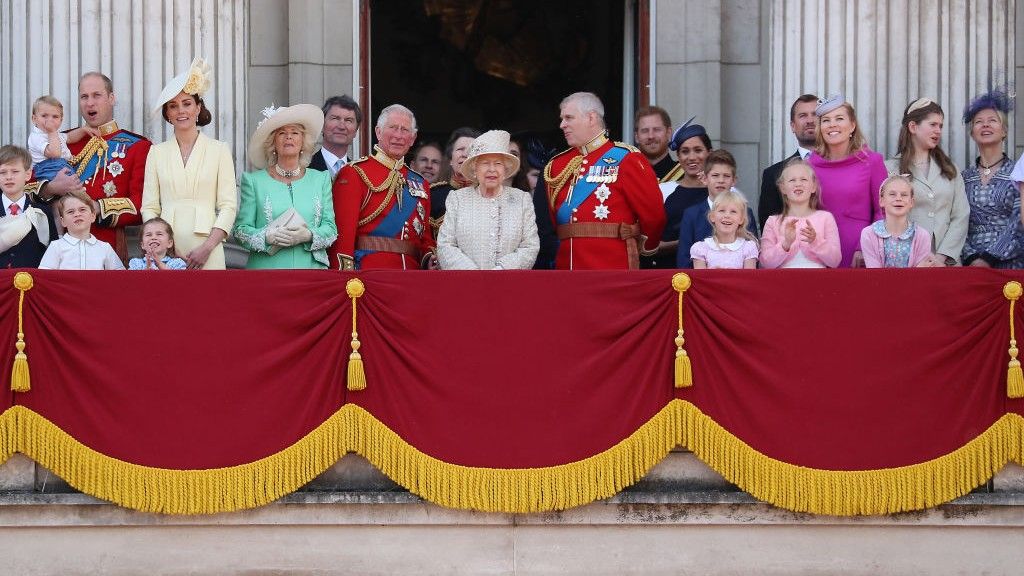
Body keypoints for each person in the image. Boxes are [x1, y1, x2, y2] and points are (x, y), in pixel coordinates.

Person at [32, 72, 152, 261]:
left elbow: (142, 205)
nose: (90, 103)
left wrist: (95, 208)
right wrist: (51, 188)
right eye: (84, 97)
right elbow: (24, 188)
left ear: (111, 98)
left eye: (97, 95)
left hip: (106, 249)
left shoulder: (137, 146)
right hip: (59, 251)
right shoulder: (60, 142)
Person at [545, 92, 665, 269]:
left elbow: (654, 216)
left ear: (591, 118)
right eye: (562, 119)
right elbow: (553, 223)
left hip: (612, 267)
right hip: (566, 267)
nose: (562, 125)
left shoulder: (627, 159)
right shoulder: (557, 165)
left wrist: (645, 247)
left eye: (569, 118)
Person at [141, 57, 237, 270]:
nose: (181, 111)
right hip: (165, 250)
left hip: (208, 248)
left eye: (187, 104)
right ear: (167, 114)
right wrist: (159, 243)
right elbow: (149, 206)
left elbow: (228, 206)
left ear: (197, 108)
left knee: (210, 303)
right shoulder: (156, 153)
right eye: (173, 106)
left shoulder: (219, 150)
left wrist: (208, 247)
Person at [330, 104, 435, 270]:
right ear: (378, 132)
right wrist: (344, 278)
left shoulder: (421, 184)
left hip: (412, 277)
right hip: (369, 275)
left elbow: (425, 239)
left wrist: (429, 258)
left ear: (413, 139)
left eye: (405, 130)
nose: (398, 135)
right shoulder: (355, 173)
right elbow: (343, 236)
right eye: (393, 128)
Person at [233, 104, 337, 269]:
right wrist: (267, 236)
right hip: (267, 273)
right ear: (273, 142)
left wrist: (308, 235)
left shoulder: (321, 179)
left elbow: (330, 229)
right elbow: (240, 231)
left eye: (295, 132)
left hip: (311, 272)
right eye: (282, 133)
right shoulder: (253, 181)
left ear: (303, 142)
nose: (289, 137)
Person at [436, 130, 539, 270]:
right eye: (485, 163)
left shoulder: (522, 200)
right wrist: (473, 274)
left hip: (509, 284)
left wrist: (501, 269)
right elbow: (445, 245)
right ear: (475, 169)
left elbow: (530, 246)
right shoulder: (458, 199)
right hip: (466, 284)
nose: (492, 169)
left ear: (505, 169)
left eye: (498, 163)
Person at [885, 98, 968, 266]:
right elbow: (885, 217)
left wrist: (942, 257)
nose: (938, 131)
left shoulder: (950, 169)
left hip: (946, 265)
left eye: (941, 126)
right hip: (906, 262)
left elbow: (961, 215)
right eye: (933, 125)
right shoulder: (890, 169)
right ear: (913, 127)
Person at [807, 94, 886, 268]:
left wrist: (865, 247)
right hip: (817, 249)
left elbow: (883, 211)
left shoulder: (872, 161)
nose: (832, 124)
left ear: (852, 125)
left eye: (839, 118)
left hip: (858, 252)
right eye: (826, 120)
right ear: (820, 128)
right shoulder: (809, 165)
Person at [962, 88, 1024, 268]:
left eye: (992, 121)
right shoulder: (963, 178)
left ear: (1004, 131)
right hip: (970, 266)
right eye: (979, 122)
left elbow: (1019, 220)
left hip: (1011, 263)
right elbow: (956, 221)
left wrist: (989, 258)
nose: (985, 125)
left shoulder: (1017, 173)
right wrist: (971, 258)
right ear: (972, 133)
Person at [676, 150, 758, 268]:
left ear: (734, 180)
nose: (721, 180)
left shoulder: (745, 212)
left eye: (726, 176)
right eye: (715, 175)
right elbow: (683, 260)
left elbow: (753, 256)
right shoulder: (691, 214)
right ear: (704, 178)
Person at [759, 159, 841, 268]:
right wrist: (786, 244)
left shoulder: (826, 218)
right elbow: (766, 263)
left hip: (818, 280)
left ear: (813, 187)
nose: (798, 184)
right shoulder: (772, 221)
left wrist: (816, 241)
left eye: (803, 179)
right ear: (782, 188)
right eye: (792, 180)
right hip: (783, 282)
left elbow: (835, 261)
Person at [758, 94, 818, 231]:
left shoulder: (843, 166)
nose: (810, 120)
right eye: (803, 115)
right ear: (792, 126)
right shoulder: (772, 174)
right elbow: (768, 230)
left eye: (815, 114)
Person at [39, 189, 124, 270]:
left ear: (93, 216)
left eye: (82, 210)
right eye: (70, 212)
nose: (77, 214)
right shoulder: (56, 247)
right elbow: (45, 278)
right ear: (63, 221)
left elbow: (120, 278)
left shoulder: (105, 248)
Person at [860, 174, 934, 268]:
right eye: (892, 194)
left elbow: (920, 277)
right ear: (881, 201)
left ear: (911, 202)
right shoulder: (869, 234)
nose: (898, 198)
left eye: (904, 195)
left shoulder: (922, 236)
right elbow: (875, 276)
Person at [0, 145, 56, 268]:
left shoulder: (42, 212)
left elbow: (52, 254)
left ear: (27, 174)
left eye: (15, 171)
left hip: (33, 283)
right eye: (3, 172)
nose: (8, 177)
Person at [26, 95, 95, 182]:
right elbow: (55, 154)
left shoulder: (56, 134)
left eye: (55, 117)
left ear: (61, 120)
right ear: (34, 119)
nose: (50, 120)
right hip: (47, 169)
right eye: (44, 116)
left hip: (62, 166)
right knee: (72, 187)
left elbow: (69, 137)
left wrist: (83, 130)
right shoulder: (36, 137)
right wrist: (52, 132)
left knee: (75, 184)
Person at [428, 127, 480, 238]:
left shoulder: (491, 195)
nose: (465, 154)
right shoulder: (433, 195)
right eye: (460, 149)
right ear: (451, 160)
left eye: (471, 149)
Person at [689, 190, 759, 269]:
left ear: (741, 219)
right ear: (712, 217)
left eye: (733, 211)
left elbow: (748, 279)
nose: (727, 215)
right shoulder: (701, 248)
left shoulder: (748, 248)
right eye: (722, 211)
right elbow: (701, 279)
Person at [309, 95, 362, 179]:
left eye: (348, 120)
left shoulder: (360, 175)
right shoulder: (304, 169)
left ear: (356, 130)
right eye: (335, 118)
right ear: (322, 125)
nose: (341, 126)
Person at [634, 106, 682, 182]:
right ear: (636, 137)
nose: (651, 136)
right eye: (645, 131)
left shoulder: (685, 175)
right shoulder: (626, 177)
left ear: (669, 133)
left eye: (657, 130)